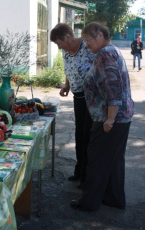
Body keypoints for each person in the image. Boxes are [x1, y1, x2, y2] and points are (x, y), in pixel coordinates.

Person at [70, 22, 134, 211]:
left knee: (97, 159)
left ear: (99, 35)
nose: (86, 45)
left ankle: (88, 202)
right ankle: (114, 198)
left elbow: (113, 89)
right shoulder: (110, 51)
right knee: (113, 159)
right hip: (122, 117)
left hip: (111, 118)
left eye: (88, 40)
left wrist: (110, 119)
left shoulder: (105, 54)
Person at [50, 23, 94, 188]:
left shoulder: (87, 46)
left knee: (87, 135)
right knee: (79, 134)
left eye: (58, 43)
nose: (59, 46)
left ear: (67, 37)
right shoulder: (66, 52)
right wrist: (67, 85)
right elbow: (68, 69)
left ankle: (86, 176)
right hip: (78, 97)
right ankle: (79, 170)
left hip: (90, 98)